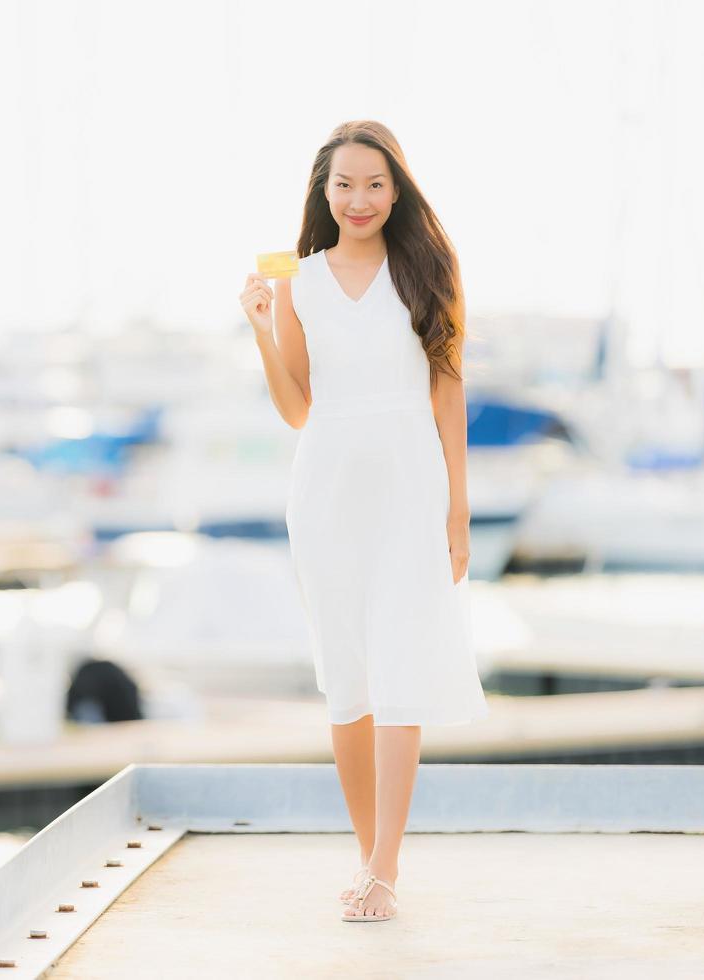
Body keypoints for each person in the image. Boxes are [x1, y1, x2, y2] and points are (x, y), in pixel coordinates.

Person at [238, 120, 490, 923]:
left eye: (374, 184)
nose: (358, 199)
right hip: (326, 493)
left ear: (397, 188)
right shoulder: (300, 283)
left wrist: (458, 504)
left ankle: (386, 871)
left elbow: (447, 394)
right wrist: (260, 327)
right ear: (323, 192)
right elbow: (297, 408)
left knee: (401, 666)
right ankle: (365, 859)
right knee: (347, 680)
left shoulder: (430, 269)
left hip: (411, 487)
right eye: (343, 184)